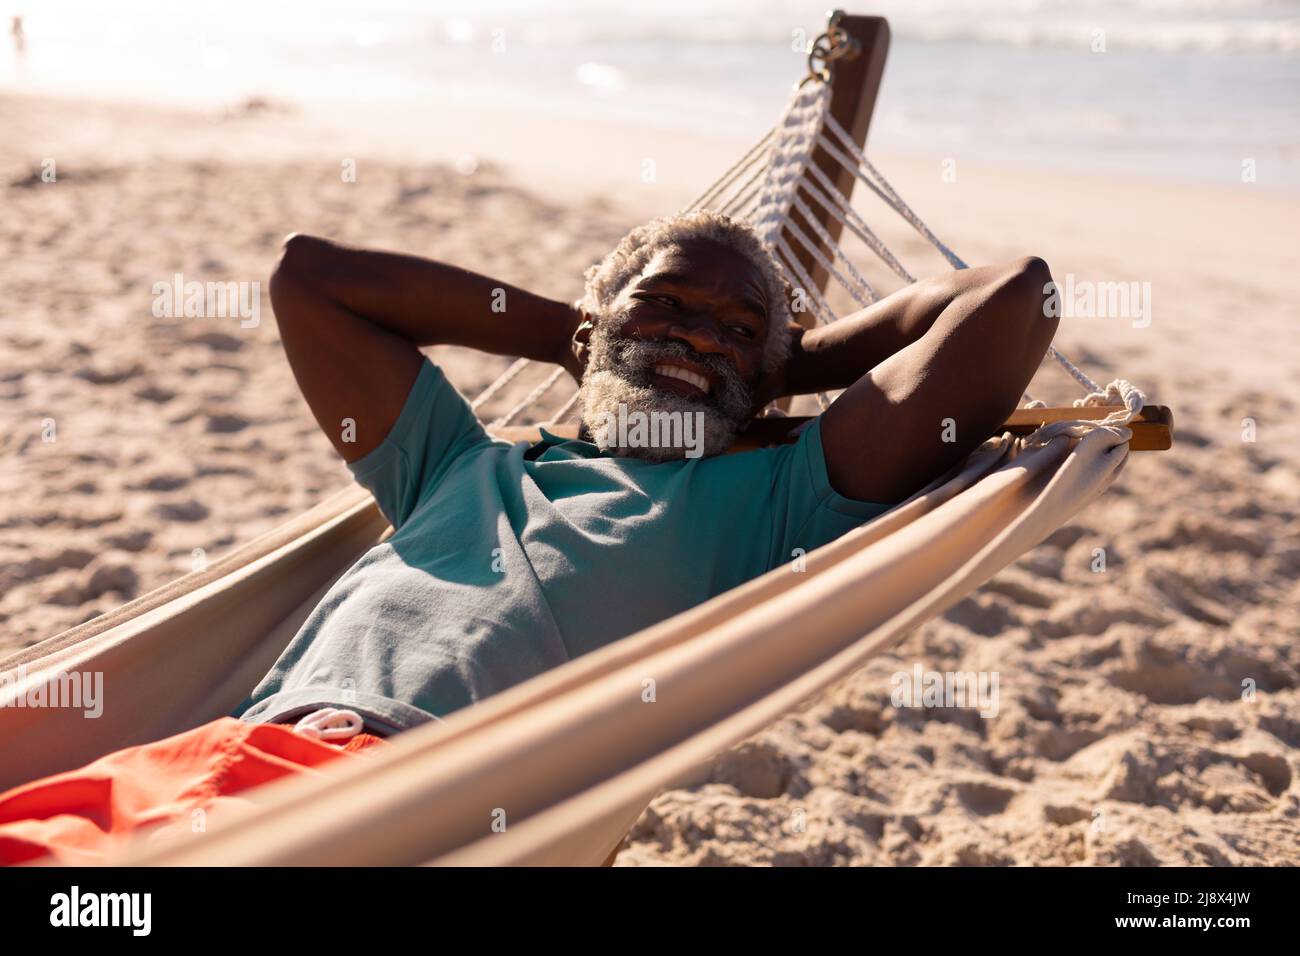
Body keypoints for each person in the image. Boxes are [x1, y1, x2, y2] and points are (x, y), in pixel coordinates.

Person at [0, 210, 1057, 863]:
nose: (696, 331)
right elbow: (309, 276)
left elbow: (1016, 296)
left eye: (735, 328)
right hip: (187, 761)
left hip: (372, 805)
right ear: (591, 330)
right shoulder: (452, 463)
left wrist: (783, 365)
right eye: (666, 305)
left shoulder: (785, 496)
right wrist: (584, 332)